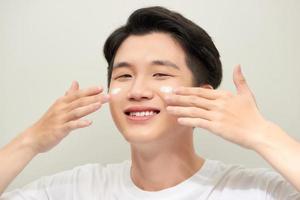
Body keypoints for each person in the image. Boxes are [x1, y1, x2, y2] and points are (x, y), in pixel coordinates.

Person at [0, 6, 299, 199]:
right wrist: (31, 141)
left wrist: (263, 134)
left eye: (159, 74)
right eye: (124, 75)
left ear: (203, 96)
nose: (137, 90)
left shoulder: (255, 191)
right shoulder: (74, 190)